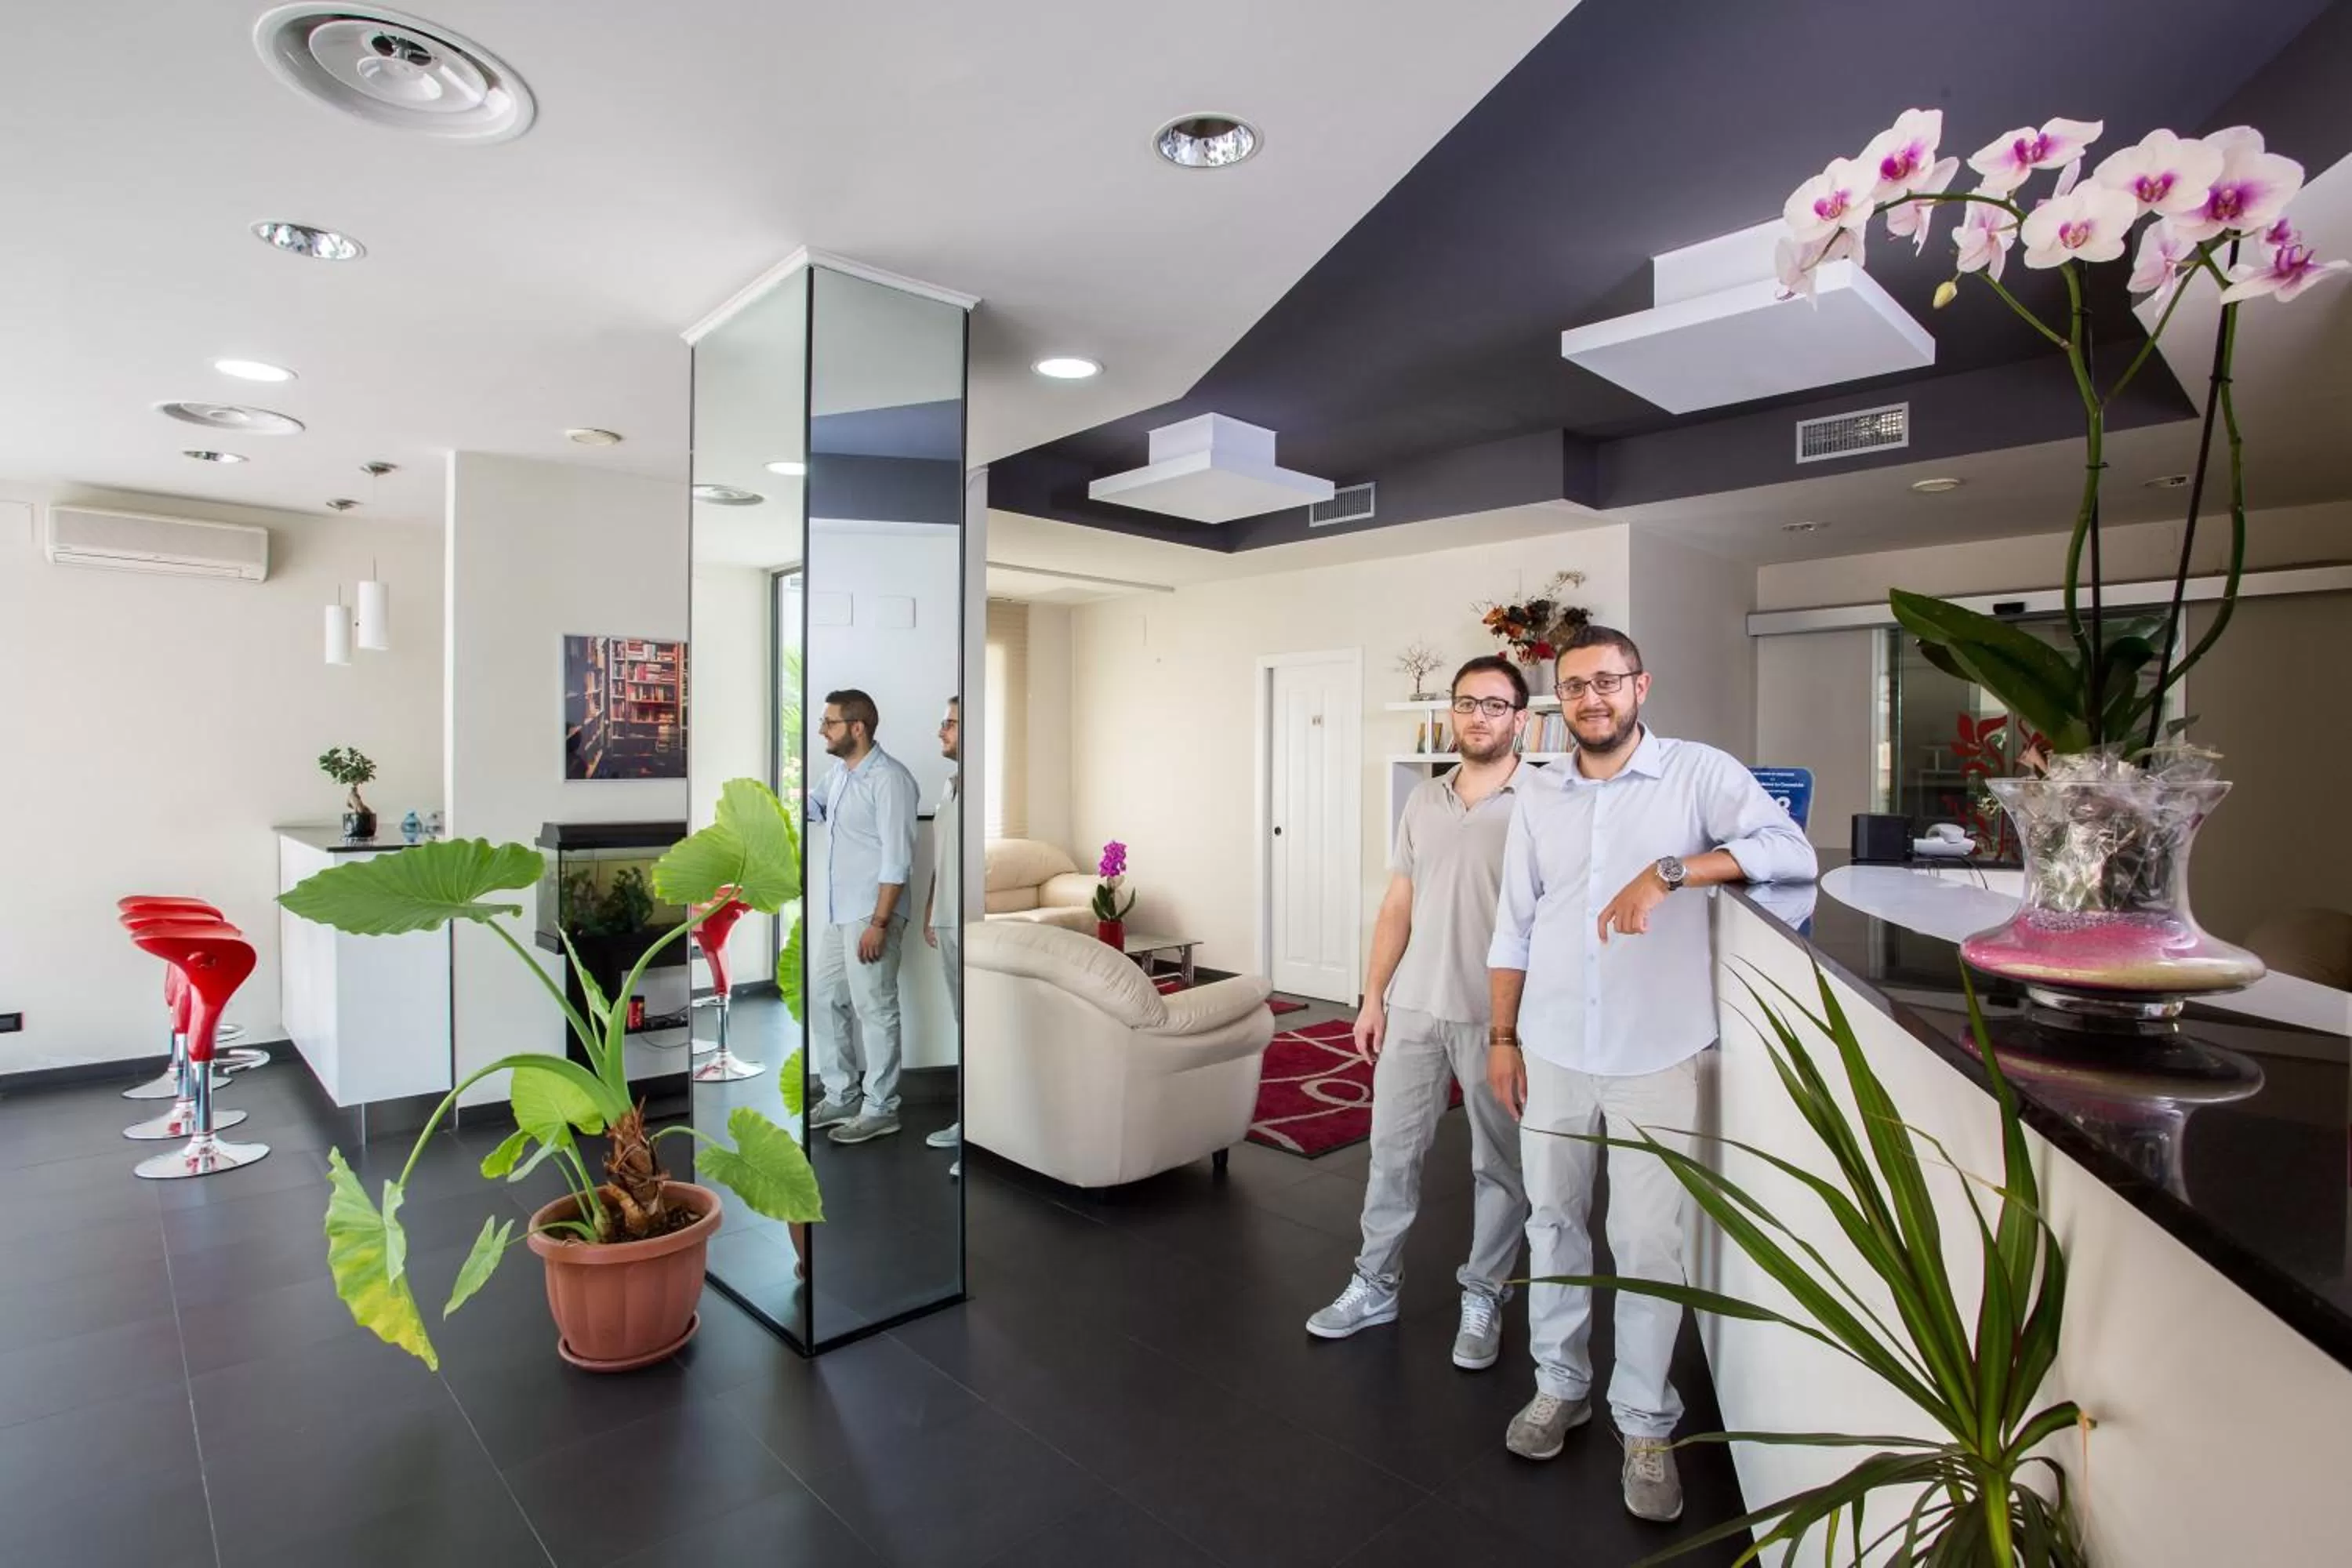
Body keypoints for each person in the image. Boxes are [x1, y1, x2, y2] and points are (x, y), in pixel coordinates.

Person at [1485, 624, 1816, 1524]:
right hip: (1550, 1043)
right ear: (1561, 702)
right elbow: (1514, 924)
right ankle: (1561, 1384)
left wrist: (1671, 870)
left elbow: (1791, 853)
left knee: (1645, 1243)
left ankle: (1643, 1418)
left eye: (1609, 681)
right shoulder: (1539, 794)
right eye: (1576, 687)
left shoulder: (1699, 773)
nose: (1592, 698)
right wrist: (1503, 1036)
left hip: (1655, 1051)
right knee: (1552, 1220)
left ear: (1642, 685)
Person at [1305, 656, 1536, 1371]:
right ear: (1452, 714)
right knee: (1392, 1155)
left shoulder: (1545, 800)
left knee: (1500, 1164)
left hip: (1498, 1017)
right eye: (1467, 704)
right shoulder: (1423, 801)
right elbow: (1398, 905)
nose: (1479, 717)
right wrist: (1373, 995)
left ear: (1520, 719)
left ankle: (1486, 1291)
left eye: (1495, 705)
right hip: (1413, 1008)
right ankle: (1375, 1283)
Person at [807, 688, 921, 1145]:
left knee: (875, 1009)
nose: (822, 730)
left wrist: (879, 923)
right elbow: (815, 808)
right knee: (824, 997)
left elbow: (898, 860)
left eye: (829, 723)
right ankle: (841, 1094)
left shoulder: (890, 780)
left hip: (873, 914)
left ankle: (881, 1107)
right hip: (840, 912)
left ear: (857, 728)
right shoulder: (838, 774)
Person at [921, 698, 964, 1178]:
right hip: (947, 920)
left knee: (975, 1026)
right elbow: (942, 857)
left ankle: (978, 1133)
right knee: (961, 1022)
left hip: (969, 922)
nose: (941, 731)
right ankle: (968, 1121)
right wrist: (932, 906)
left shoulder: (977, 790)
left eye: (950, 723)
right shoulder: (950, 785)